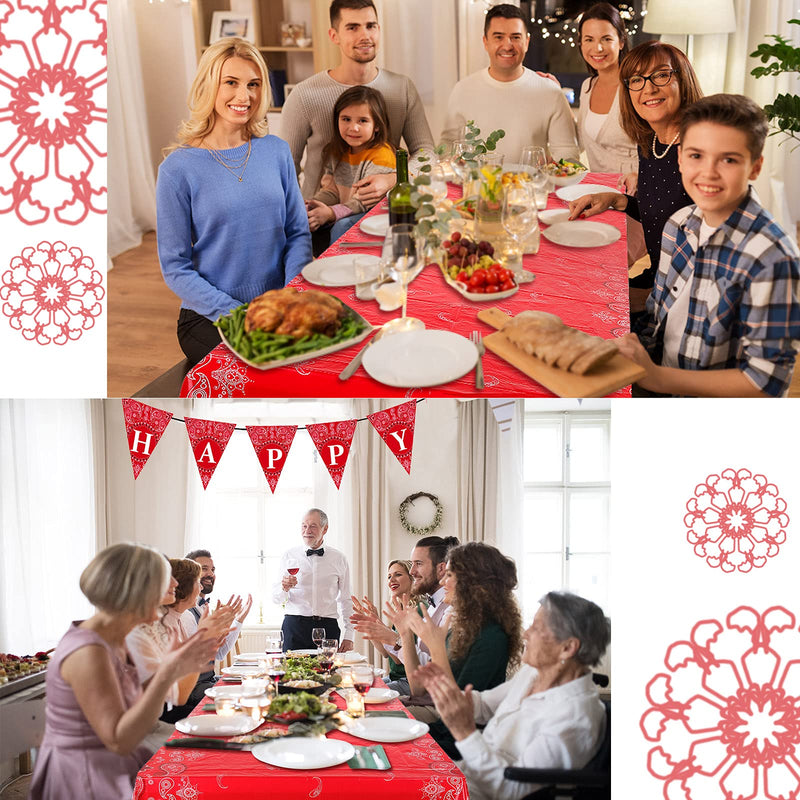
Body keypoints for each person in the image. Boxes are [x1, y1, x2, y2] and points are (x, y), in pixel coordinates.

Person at [617, 94, 800, 397]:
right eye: (696, 156)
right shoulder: (678, 225)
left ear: (755, 167)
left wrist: (656, 378)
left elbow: (765, 383)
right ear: (679, 158)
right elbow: (657, 318)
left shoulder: (773, 258)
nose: (708, 172)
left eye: (729, 159)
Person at [156, 37, 312, 365]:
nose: (245, 96)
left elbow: (297, 232)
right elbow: (175, 267)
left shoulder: (276, 151)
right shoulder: (177, 169)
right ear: (208, 85)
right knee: (268, 369)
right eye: (231, 83)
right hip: (212, 316)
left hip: (278, 306)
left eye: (254, 84)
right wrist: (237, 315)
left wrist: (291, 294)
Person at [29, 544, 217, 800]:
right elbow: (119, 741)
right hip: (87, 776)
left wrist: (174, 669)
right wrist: (167, 675)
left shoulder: (117, 637)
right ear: (134, 590)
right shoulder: (89, 652)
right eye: (165, 578)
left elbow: (138, 704)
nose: (174, 585)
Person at [412, 591, 610, 800]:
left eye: (537, 627)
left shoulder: (575, 717)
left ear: (567, 648)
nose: (525, 633)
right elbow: (484, 705)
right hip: (468, 773)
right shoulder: (532, 673)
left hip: (484, 793)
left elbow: (510, 790)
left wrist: (464, 733)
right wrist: (447, 693)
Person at [568, 41, 702, 315]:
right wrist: (618, 201)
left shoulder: (700, 152)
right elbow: (664, 216)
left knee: (582, 307)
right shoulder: (651, 145)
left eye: (661, 75)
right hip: (658, 278)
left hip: (686, 299)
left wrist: (648, 301)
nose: (649, 88)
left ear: (683, 80)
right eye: (637, 80)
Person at [279, 0, 434, 201]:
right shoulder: (303, 95)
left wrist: (393, 179)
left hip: (382, 214)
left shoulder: (402, 88)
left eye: (370, 26)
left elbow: (427, 152)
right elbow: (284, 169)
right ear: (334, 36)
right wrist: (298, 220)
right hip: (319, 219)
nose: (365, 36)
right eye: (352, 28)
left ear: (379, 30)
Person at [386, 542, 523, 756]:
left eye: (449, 575)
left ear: (472, 582)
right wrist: (405, 634)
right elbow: (419, 691)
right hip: (443, 726)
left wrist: (435, 645)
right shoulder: (463, 627)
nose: (443, 581)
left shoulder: (491, 636)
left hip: (458, 739)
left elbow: (454, 710)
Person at [440, 4, 579, 163]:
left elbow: (567, 153)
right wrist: (456, 163)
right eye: (498, 37)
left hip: (531, 186)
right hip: (479, 185)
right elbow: (447, 147)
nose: (507, 45)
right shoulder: (462, 90)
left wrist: (554, 167)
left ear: (526, 42)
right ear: (486, 42)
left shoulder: (550, 91)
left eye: (515, 37)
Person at [126, 559, 234, 738]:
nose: (200, 589)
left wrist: (208, 643)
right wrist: (202, 642)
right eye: (197, 582)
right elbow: (178, 693)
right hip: (159, 716)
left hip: (169, 705)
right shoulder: (155, 625)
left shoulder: (179, 618)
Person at [575, 2, 645, 267]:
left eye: (606, 38)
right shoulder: (586, 86)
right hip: (596, 198)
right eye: (589, 40)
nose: (598, 48)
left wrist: (643, 175)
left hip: (633, 201)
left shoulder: (636, 85)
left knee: (600, 270)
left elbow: (657, 141)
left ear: (621, 40)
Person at [352, 535, 459, 692]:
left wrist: (395, 638)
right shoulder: (429, 607)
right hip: (414, 684)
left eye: (418, 564)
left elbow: (423, 667)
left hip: (413, 685)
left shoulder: (429, 609)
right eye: (389, 576)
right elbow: (411, 657)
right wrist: (373, 627)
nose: (412, 571)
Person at [306, 85, 396, 253]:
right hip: (345, 209)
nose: (353, 128)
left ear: (377, 126)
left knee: (342, 226)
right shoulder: (336, 151)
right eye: (346, 119)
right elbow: (332, 190)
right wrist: (314, 205)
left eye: (362, 121)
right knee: (305, 220)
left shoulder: (381, 155)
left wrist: (331, 213)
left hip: (371, 215)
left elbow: (364, 202)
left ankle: (337, 271)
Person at [272, 508, 354, 651]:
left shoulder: (339, 558)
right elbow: (276, 599)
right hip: (294, 627)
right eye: (304, 526)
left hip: (328, 628)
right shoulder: (289, 556)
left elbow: (346, 599)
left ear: (325, 528)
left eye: (313, 526)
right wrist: (284, 588)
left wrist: (349, 635)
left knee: (329, 673)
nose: (307, 531)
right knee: (291, 673)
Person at [180, 549, 252, 708]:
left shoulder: (203, 608)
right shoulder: (185, 614)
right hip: (193, 688)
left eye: (212, 569)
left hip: (207, 680)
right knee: (249, 693)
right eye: (204, 568)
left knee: (253, 682)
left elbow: (218, 654)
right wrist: (206, 636)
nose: (210, 574)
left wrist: (238, 620)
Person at [351, 559, 414, 692]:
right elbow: (385, 653)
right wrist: (369, 625)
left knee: (364, 694)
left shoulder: (417, 611)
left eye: (398, 574)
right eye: (389, 576)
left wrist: (378, 625)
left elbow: (399, 659)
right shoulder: (400, 610)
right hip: (394, 677)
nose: (392, 580)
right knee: (354, 686)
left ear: (411, 577)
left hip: (410, 682)